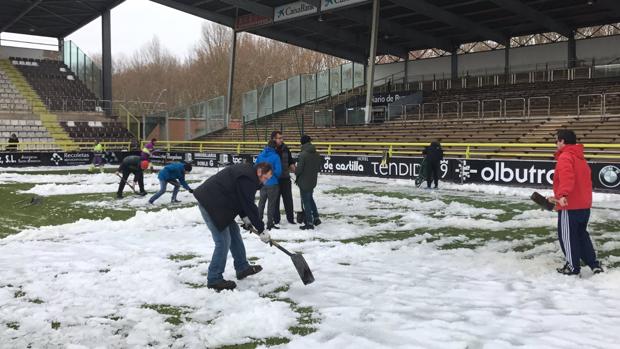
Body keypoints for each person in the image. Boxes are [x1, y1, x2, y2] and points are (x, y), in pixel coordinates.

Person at [193, 162, 273, 291]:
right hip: (210, 203)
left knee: (234, 232)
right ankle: (214, 279)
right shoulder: (248, 178)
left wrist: (245, 218)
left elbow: (239, 197)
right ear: (259, 172)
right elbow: (248, 204)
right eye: (265, 178)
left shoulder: (248, 174)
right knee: (223, 241)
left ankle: (242, 268)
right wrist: (261, 229)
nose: (265, 182)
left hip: (221, 204)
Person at [547, 129, 604, 276]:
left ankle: (572, 267)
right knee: (581, 235)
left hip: (570, 206)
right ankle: (594, 264)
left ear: (563, 141)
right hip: (584, 205)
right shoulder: (580, 158)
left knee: (567, 237)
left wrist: (562, 195)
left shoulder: (565, 157)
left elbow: (567, 177)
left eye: (556, 141)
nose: (556, 144)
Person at [295, 135, 322, 230]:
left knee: (306, 202)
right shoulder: (316, 153)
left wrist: (294, 169)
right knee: (310, 199)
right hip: (312, 181)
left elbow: (298, 170)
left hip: (304, 182)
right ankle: (316, 218)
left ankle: (309, 223)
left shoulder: (303, 154)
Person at [256, 140, 282, 230]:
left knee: (261, 202)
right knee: (271, 204)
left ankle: (258, 221)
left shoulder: (260, 155)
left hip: (262, 183)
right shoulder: (275, 156)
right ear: (275, 147)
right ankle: (270, 223)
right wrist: (273, 175)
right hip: (273, 183)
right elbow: (278, 171)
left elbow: (256, 167)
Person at [271, 131, 296, 225]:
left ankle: (290, 219)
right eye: (279, 138)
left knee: (288, 200)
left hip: (285, 178)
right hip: (275, 180)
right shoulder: (270, 150)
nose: (281, 139)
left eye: (282, 138)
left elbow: (290, 161)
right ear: (274, 139)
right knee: (275, 200)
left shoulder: (286, 149)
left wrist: (293, 166)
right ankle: (276, 220)